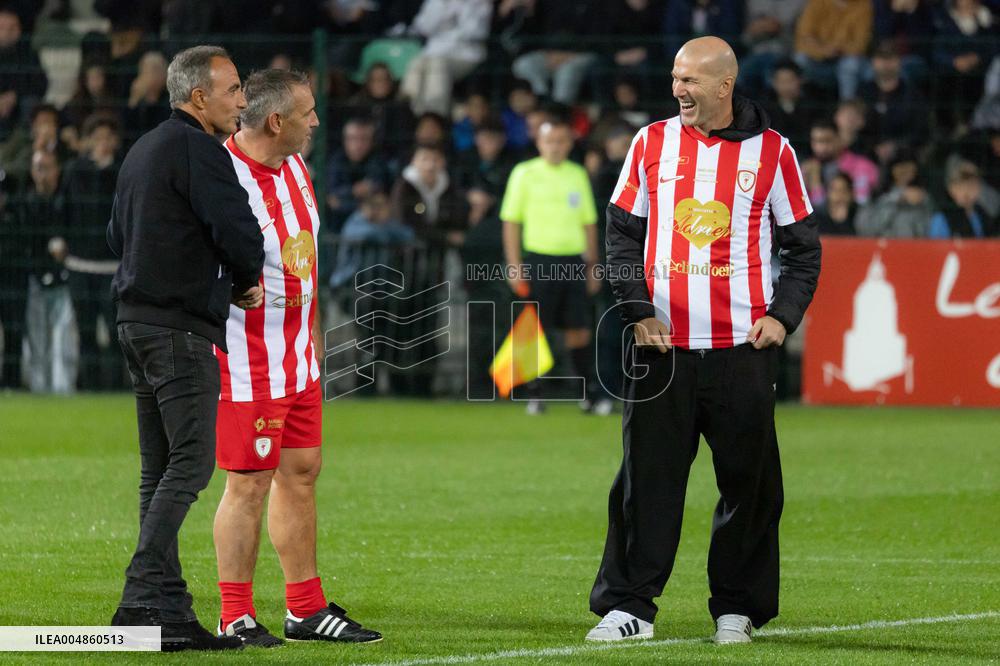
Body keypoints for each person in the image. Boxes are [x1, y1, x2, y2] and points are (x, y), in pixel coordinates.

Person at [588, 36, 821, 644]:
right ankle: (630, 606)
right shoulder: (650, 143)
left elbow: (803, 250)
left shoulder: (774, 154)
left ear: (725, 86)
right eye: (674, 78)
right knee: (646, 480)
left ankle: (736, 610)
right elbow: (619, 237)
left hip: (742, 351)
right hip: (660, 349)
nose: (677, 90)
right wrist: (637, 311)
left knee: (750, 483)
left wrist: (784, 316)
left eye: (690, 80)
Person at [214, 68, 383, 646]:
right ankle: (233, 614)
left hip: (299, 355)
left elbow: (301, 261)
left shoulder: (296, 166)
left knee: (302, 474)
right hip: (247, 358)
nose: (316, 122)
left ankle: (305, 609)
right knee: (249, 482)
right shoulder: (221, 176)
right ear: (276, 120)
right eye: (308, 113)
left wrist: (311, 339)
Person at [106, 45, 265, 651]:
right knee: (194, 464)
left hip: (135, 323)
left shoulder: (145, 149)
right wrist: (245, 279)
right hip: (178, 330)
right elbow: (237, 227)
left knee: (159, 471)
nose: (242, 101)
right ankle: (141, 594)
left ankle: (166, 613)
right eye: (232, 91)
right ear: (199, 97)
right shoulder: (201, 149)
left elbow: (118, 232)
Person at [499, 118, 601, 414]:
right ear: (539, 143)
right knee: (534, 328)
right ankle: (534, 393)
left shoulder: (577, 174)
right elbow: (511, 222)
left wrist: (593, 265)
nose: (555, 147)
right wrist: (514, 264)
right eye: (549, 141)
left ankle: (587, 395)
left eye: (561, 141)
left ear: (569, 143)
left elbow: (589, 223)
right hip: (538, 259)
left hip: (573, 261)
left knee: (578, 330)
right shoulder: (524, 173)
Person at [16, 150, 78, 393]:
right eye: (39, 168)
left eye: (48, 167)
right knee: (37, 341)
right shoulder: (25, 202)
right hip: (34, 278)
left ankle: (63, 390)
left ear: (57, 171)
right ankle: (39, 390)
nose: (43, 173)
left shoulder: (67, 201)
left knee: (63, 339)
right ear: (32, 171)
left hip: (64, 278)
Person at [929, 162, 997, 238]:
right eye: (960, 187)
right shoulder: (942, 218)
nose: (966, 193)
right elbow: (935, 248)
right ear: (951, 189)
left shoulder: (984, 215)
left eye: (971, 187)